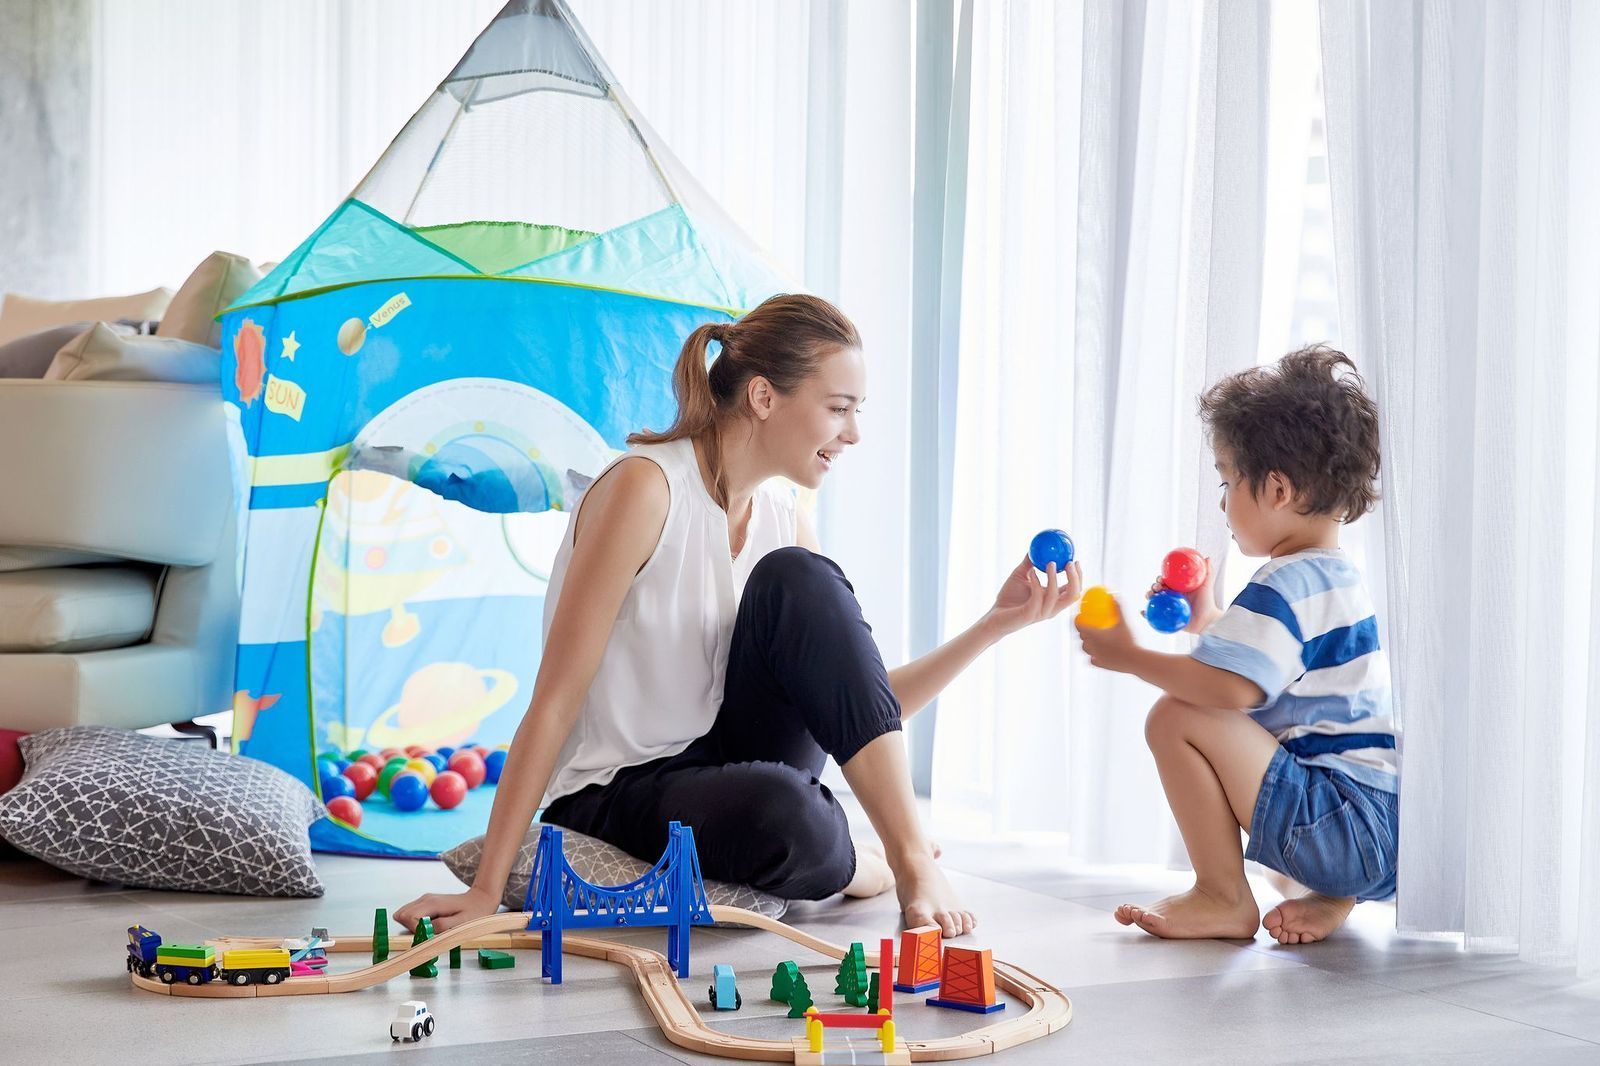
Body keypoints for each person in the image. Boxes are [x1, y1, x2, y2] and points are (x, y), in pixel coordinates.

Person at [397, 293, 1081, 937]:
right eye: (840, 408)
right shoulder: (646, 489)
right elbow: (554, 699)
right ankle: (865, 864)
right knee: (792, 817)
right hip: (619, 791)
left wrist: (995, 623)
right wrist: (487, 891)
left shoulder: (786, 518)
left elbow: (856, 708)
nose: (854, 434)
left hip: (729, 762)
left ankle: (909, 863)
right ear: (762, 396)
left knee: (800, 577)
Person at [1076, 346, 1396, 944]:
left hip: (1339, 826)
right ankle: (1329, 896)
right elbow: (1276, 672)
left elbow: (1230, 687)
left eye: (1227, 481)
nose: (1223, 503)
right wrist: (1210, 621)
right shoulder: (1333, 576)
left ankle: (1221, 896)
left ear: (1276, 488)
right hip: (1380, 831)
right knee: (1275, 747)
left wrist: (1128, 656)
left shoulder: (1286, 579)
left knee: (1176, 715)